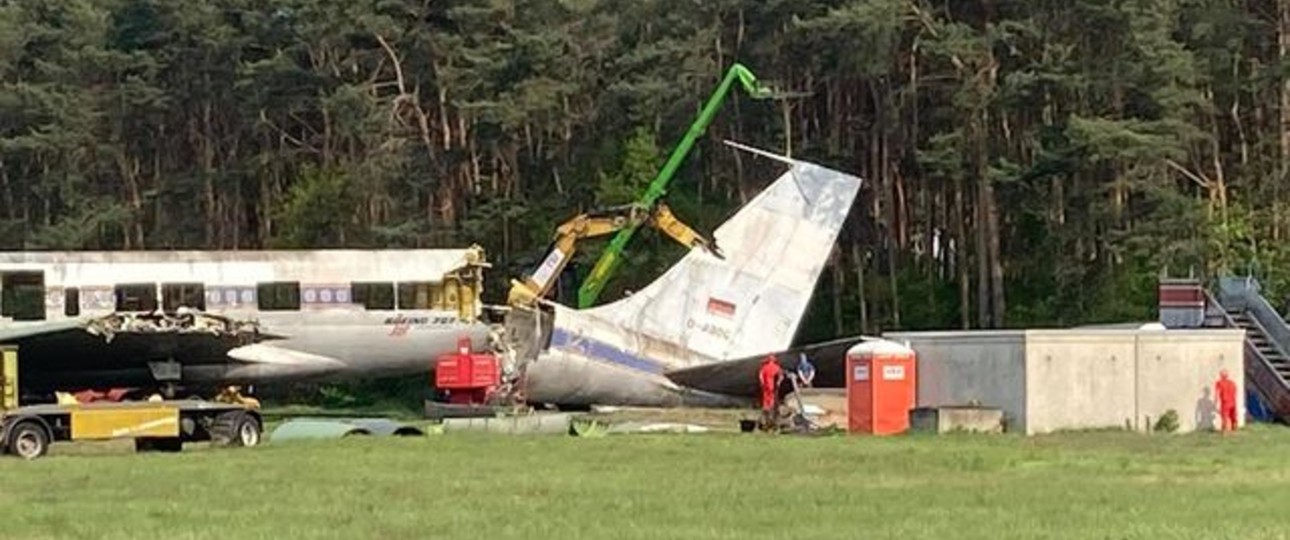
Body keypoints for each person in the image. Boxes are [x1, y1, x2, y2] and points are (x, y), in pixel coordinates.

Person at [758, 355, 783, 431]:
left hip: (765, 384)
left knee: (766, 397)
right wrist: (779, 382)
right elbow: (781, 376)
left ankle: (766, 406)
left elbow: (760, 375)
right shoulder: (776, 367)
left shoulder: (764, 367)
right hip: (771, 383)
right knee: (771, 396)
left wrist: (762, 382)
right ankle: (770, 406)